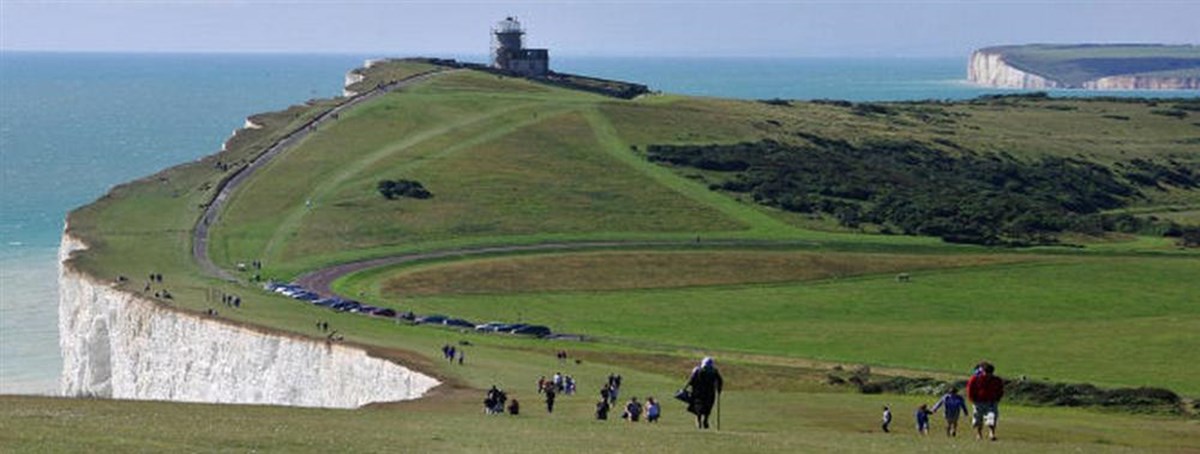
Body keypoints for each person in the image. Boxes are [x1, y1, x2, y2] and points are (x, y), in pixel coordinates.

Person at [966, 361, 1005, 441]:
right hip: (978, 402)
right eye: (986, 372)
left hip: (992, 402)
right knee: (978, 419)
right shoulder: (975, 379)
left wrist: (998, 398)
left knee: (992, 417)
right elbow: (970, 389)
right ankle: (979, 434)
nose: (987, 375)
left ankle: (992, 434)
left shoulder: (997, 380)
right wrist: (972, 399)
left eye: (989, 373)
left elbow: (1000, 390)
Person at [684, 357, 723, 429]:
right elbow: (720, 381)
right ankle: (704, 420)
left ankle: (700, 420)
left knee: (699, 407)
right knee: (707, 407)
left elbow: (691, 380)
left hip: (699, 393)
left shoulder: (698, 371)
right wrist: (719, 389)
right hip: (709, 393)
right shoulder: (714, 371)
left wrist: (685, 388)